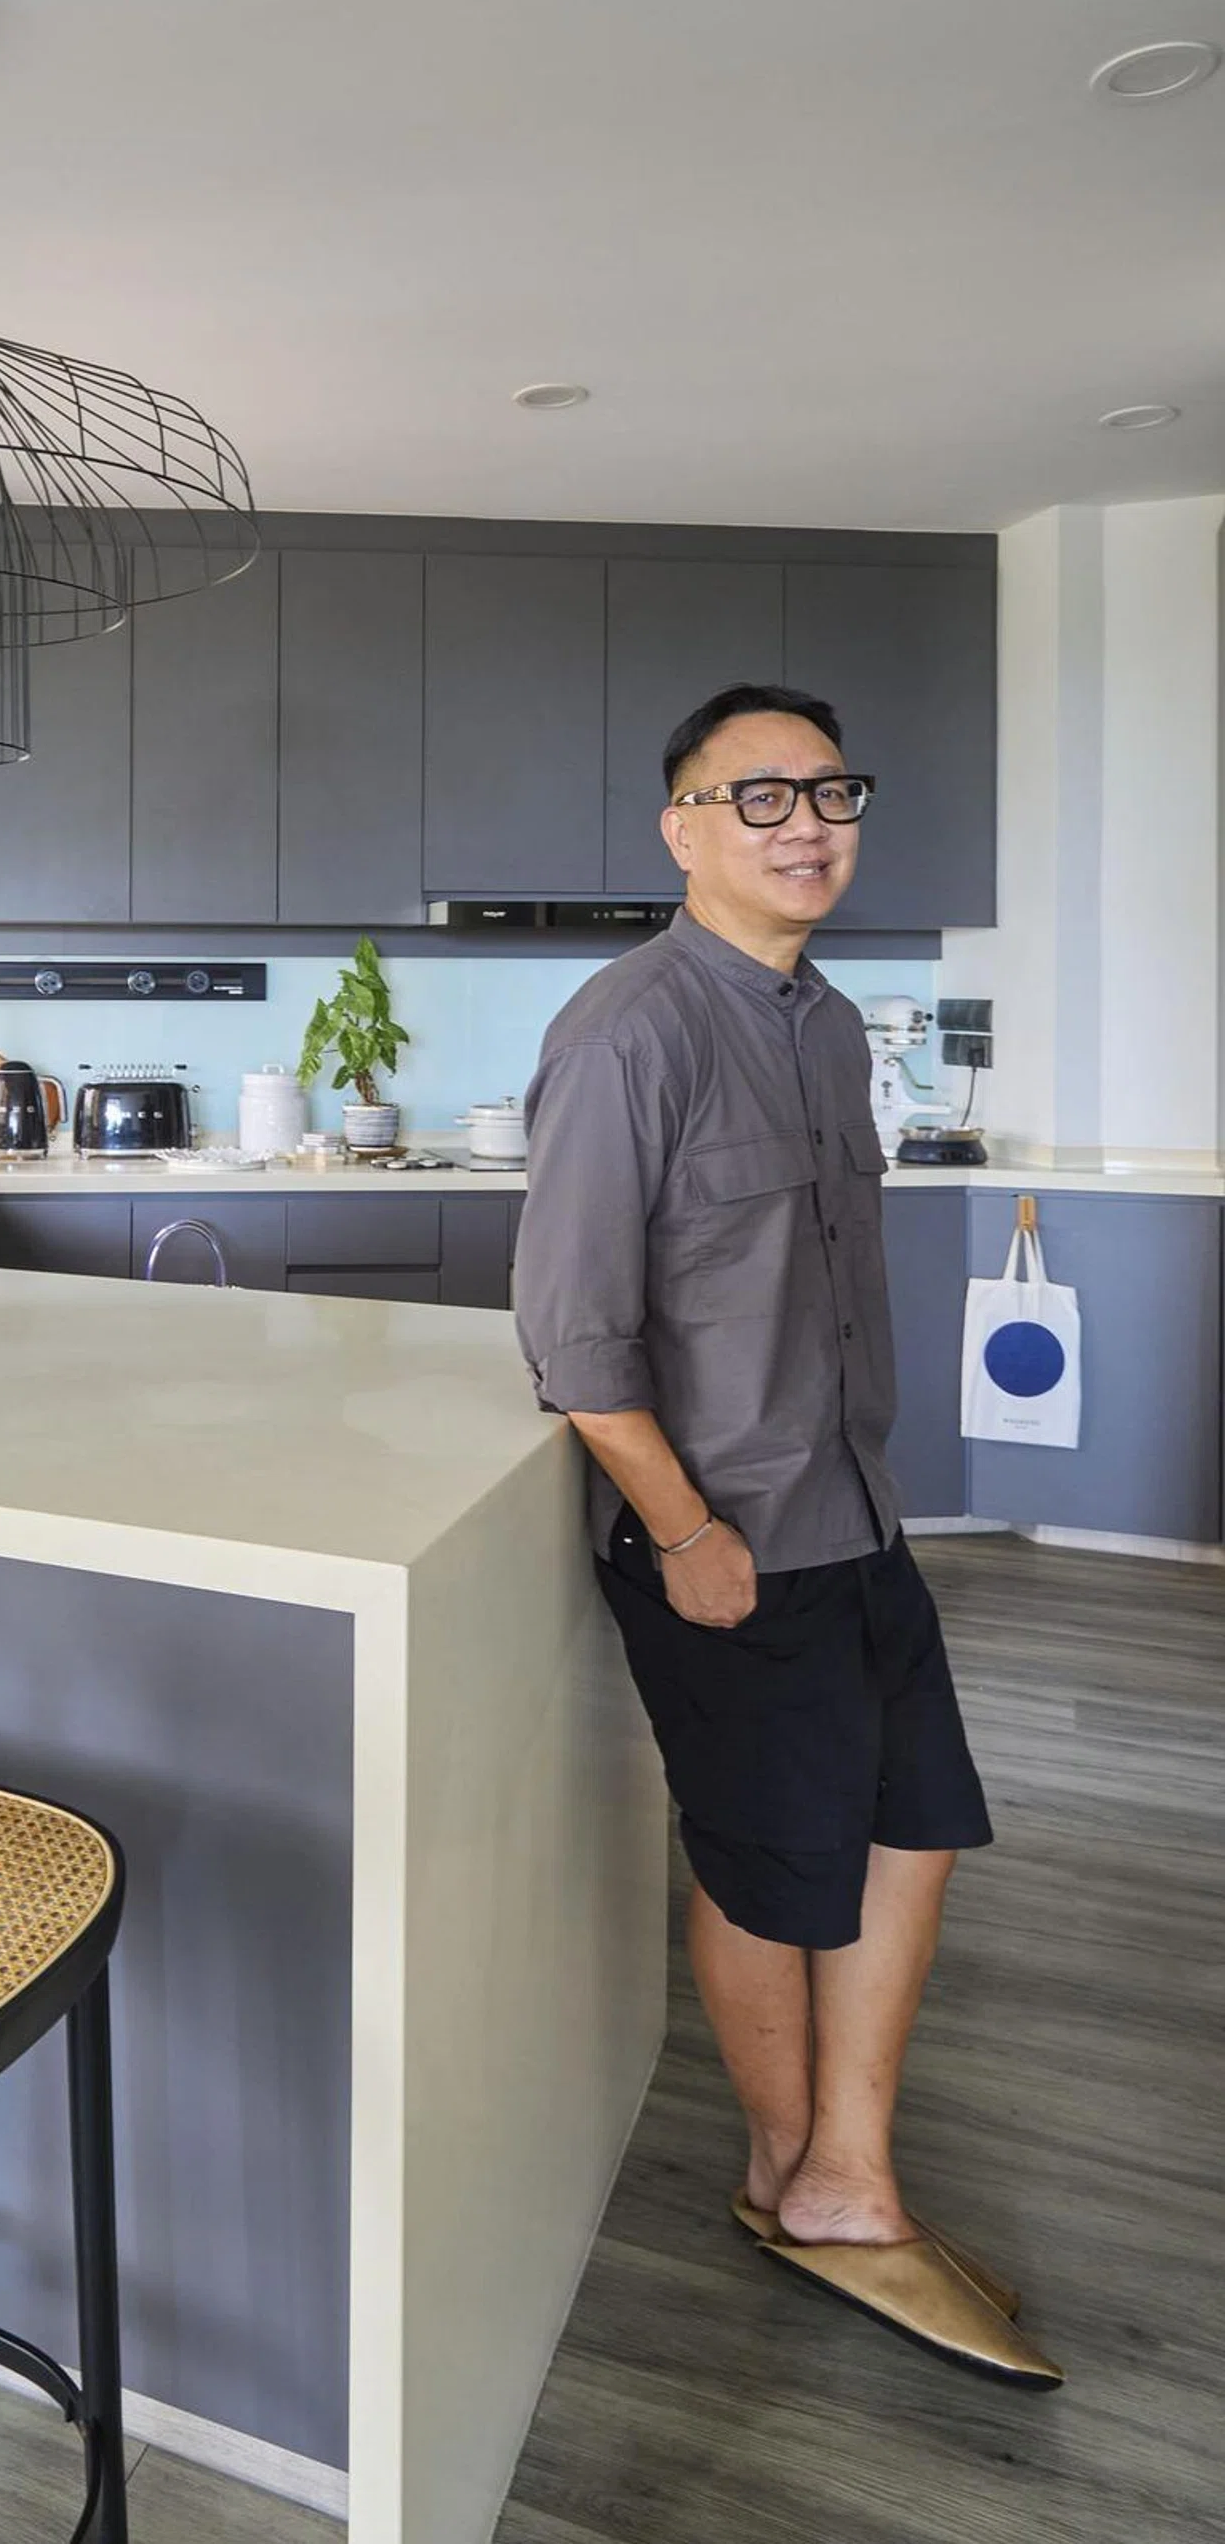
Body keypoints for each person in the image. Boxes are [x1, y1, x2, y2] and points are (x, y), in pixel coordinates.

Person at [514, 684, 1062, 2386]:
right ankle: (789, 2172)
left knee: (918, 1827)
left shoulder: (828, 1024)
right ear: (681, 828)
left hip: (859, 1512)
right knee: (769, 1865)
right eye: (758, 797)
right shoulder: (628, 1031)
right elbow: (573, 1341)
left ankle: (851, 2165)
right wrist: (685, 1532)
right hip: (727, 1541)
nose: (806, 821)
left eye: (830, 790)